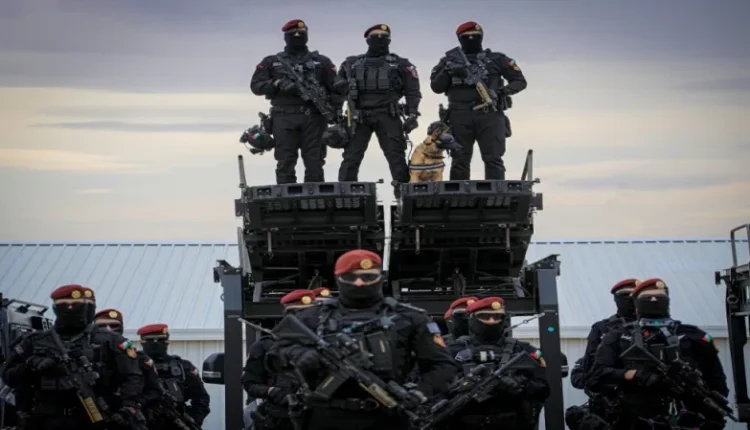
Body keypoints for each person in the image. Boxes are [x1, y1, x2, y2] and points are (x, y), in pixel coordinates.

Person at [267, 249, 457, 430]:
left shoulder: (410, 317)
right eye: (351, 278)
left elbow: (442, 366)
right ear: (338, 279)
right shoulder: (312, 317)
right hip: (326, 415)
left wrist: (419, 393)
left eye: (368, 277)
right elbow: (274, 356)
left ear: (381, 278)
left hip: (387, 416)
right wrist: (298, 354)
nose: (359, 283)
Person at [588, 278, 729, 429]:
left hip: (687, 418)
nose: (654, 300)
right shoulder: (618, 337)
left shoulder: (693, 336)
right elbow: (596, 376)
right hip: (635, 419)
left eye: (660, 297)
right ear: (636, 305)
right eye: (647, 298)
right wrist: (633, 375)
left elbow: (716, 380)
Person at [1, 285, 146, 429]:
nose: (70, 309)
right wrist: (31, 365)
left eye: (76, 305)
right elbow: (8, 377)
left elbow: (132, 377)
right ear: (55, 308)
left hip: (92, 418)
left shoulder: (110, 341)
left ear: (85, 307)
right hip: (45, 421)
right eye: (64, 305)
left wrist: (126, 409)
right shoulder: (34, 341)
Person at [429, 21, 527, 180]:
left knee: (493, 158)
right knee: (459, 159)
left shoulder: (496, 59)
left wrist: (501, 92)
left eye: (475, 36)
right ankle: (457, 193)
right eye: (466, 37)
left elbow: (520, 81)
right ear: (459, 39)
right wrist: (448, 70)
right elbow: (436, 87)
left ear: (481, 37)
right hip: (459, 116)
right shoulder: (448, 61)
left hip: (490, 114)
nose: (471, 39)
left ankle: (496, 192)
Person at [250, 19, 343, 184]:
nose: (298, 36)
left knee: (315, 161)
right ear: (286, 37)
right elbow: (256, 86)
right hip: (284, 116)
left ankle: (315, 195)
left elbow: (336, 89)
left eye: (301, 34)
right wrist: (277, 84)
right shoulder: (272, 62)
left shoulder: (321, 62)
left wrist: (336, 111)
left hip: (314, 116)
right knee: (285, 160)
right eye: (293, 34)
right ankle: (286, 195)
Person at [337, 24, 422, 193]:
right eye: (375, 36)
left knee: (396, 156)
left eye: (384, 36)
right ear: (367, 39)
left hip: (388, 115)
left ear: (389, 39)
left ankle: (403, 194)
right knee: (351, 156)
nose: (380, 39)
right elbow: (337, 90)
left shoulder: (401, 64)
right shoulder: (351, 64)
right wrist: (337, 114)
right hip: (358, 117)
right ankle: (345, 193)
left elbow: (413, 91)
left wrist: (412, 115)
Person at [445, 297, 549, 429]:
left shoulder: (523, 350)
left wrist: (519, 384)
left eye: (497, 317)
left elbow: (544, 388)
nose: (491, 321)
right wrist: (459, 384)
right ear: (472, 319)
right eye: (484, 316)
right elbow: (436, 389)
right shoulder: (452, 351)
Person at [566, 279, 640, 429]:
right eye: (626, 296)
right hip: (609, 404)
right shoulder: (602, 328)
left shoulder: (657, 328)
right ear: (617, 299)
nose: (631, 300)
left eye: (635, 296)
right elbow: (588, 368)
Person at [242, 289, 318, 430]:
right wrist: (270, 391)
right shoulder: (266, 345)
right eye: (299, 315)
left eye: (310, 314)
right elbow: (249, 383)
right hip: (281, 418)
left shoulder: (327, 346)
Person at [92, 309, 172, 428]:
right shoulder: (86, 357)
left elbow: (154, 390)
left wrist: (133, 405)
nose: (108, 329)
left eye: (113, 325)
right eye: (102, 326)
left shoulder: (140, 359)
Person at [136, 323, 211, 427]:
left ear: (167, 342)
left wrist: (193, 420)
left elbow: (201, 398)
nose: (155, 344)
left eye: (161, 340)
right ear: (142, 342)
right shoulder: (130, 367)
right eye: (150, 340)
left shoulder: (183, 367)